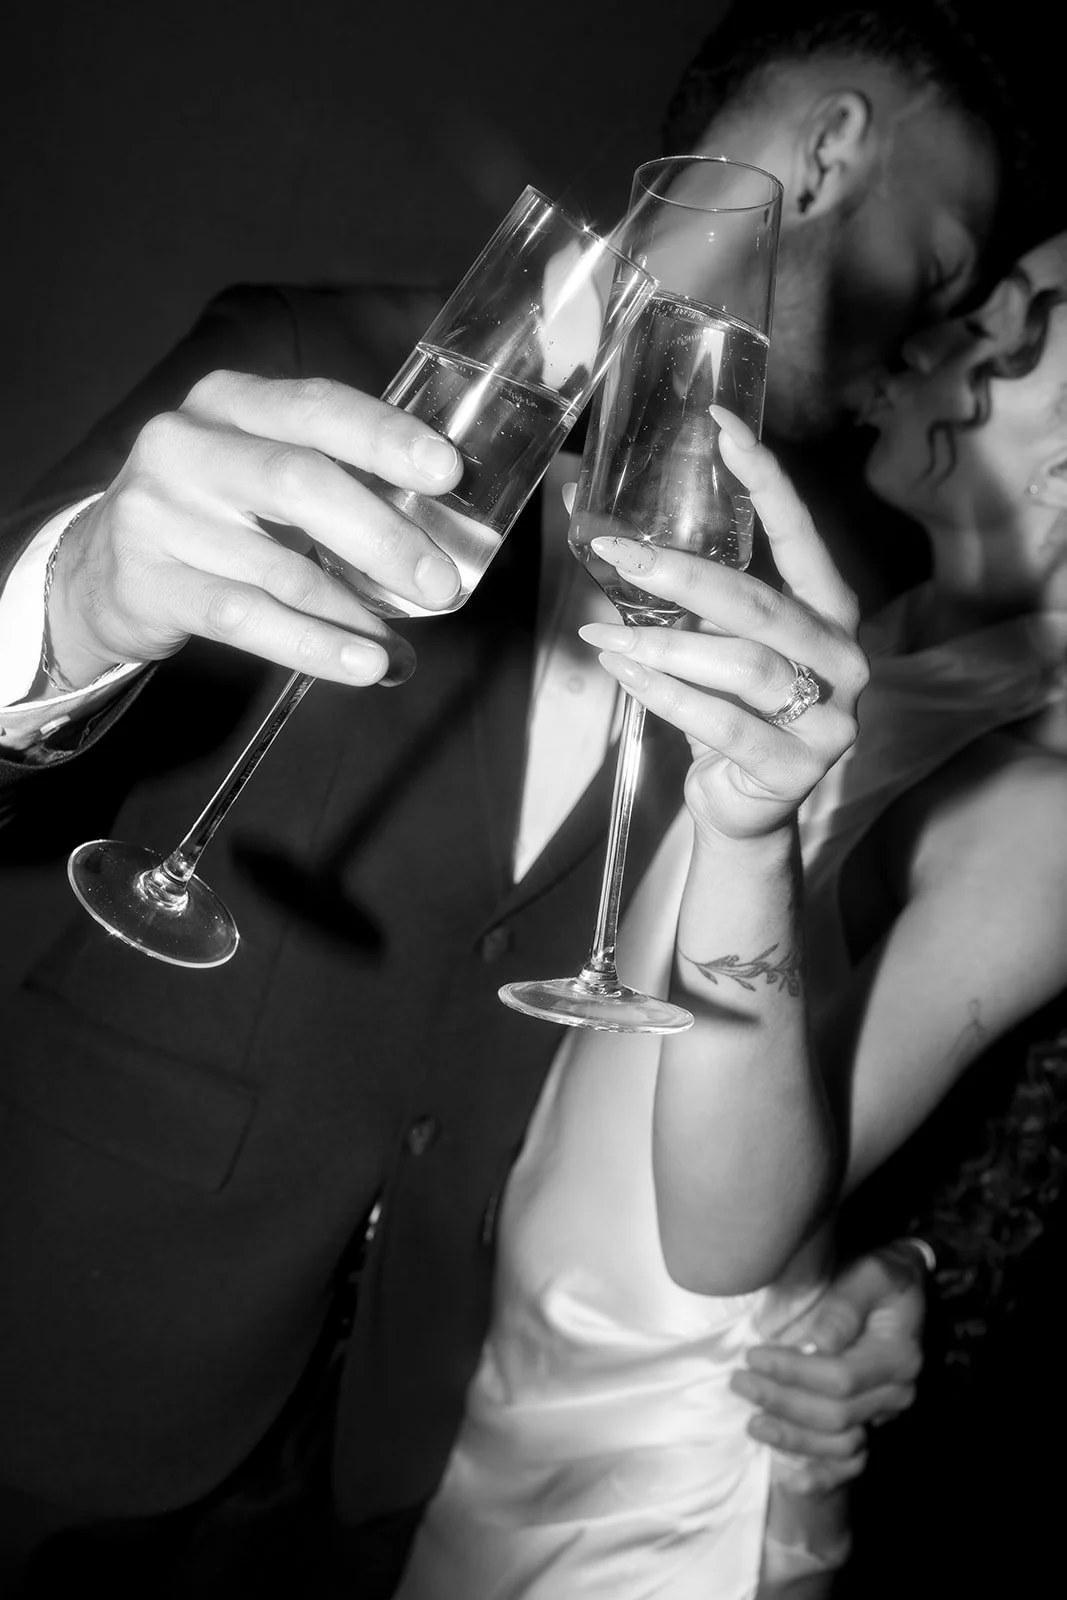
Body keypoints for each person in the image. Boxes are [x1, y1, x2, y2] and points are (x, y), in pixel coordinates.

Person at [0, 2, 1027, 1592]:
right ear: (828, 155)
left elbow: (822, 1020)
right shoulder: (297, 356)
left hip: (419, 1465)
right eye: (948, 259)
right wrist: (69, 605)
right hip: (70, 1341)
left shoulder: (824, 599)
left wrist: (879, 1270)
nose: (935, 327)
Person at [396, 230, 1067, 1598]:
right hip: (530, 1387)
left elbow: (721, 1242)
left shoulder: (1040, 804)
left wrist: (749, 834)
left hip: (658, 1480)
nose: (926, 341)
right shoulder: (879, 644)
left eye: (1002, 326)